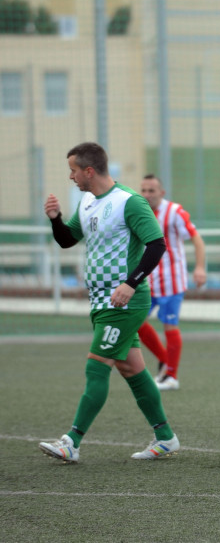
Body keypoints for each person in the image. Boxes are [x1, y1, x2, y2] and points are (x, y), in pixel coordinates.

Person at [39, 142, 180, 463]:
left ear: (89, 170)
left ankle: (71, 442)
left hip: (123, 303)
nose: (71, 176)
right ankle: (165, 437)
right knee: (131, 368)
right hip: (101, 301)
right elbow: (66, 240)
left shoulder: (129, 202)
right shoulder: (88, 202)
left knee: (96, 364)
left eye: (74, 170)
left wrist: (131, 284)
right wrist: (55, 218)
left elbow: (157, 245)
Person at [136, 174, 208, 391]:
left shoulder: (174, 212)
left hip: (172, 281)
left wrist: (200, 267)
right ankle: (166, 360)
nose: (147, 195)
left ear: (162, 192)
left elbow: (197, 239)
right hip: (147, 280)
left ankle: (171, 376)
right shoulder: (138, 211)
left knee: (169, 325)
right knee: (136, 322)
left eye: (152, 190)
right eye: (144, 190)